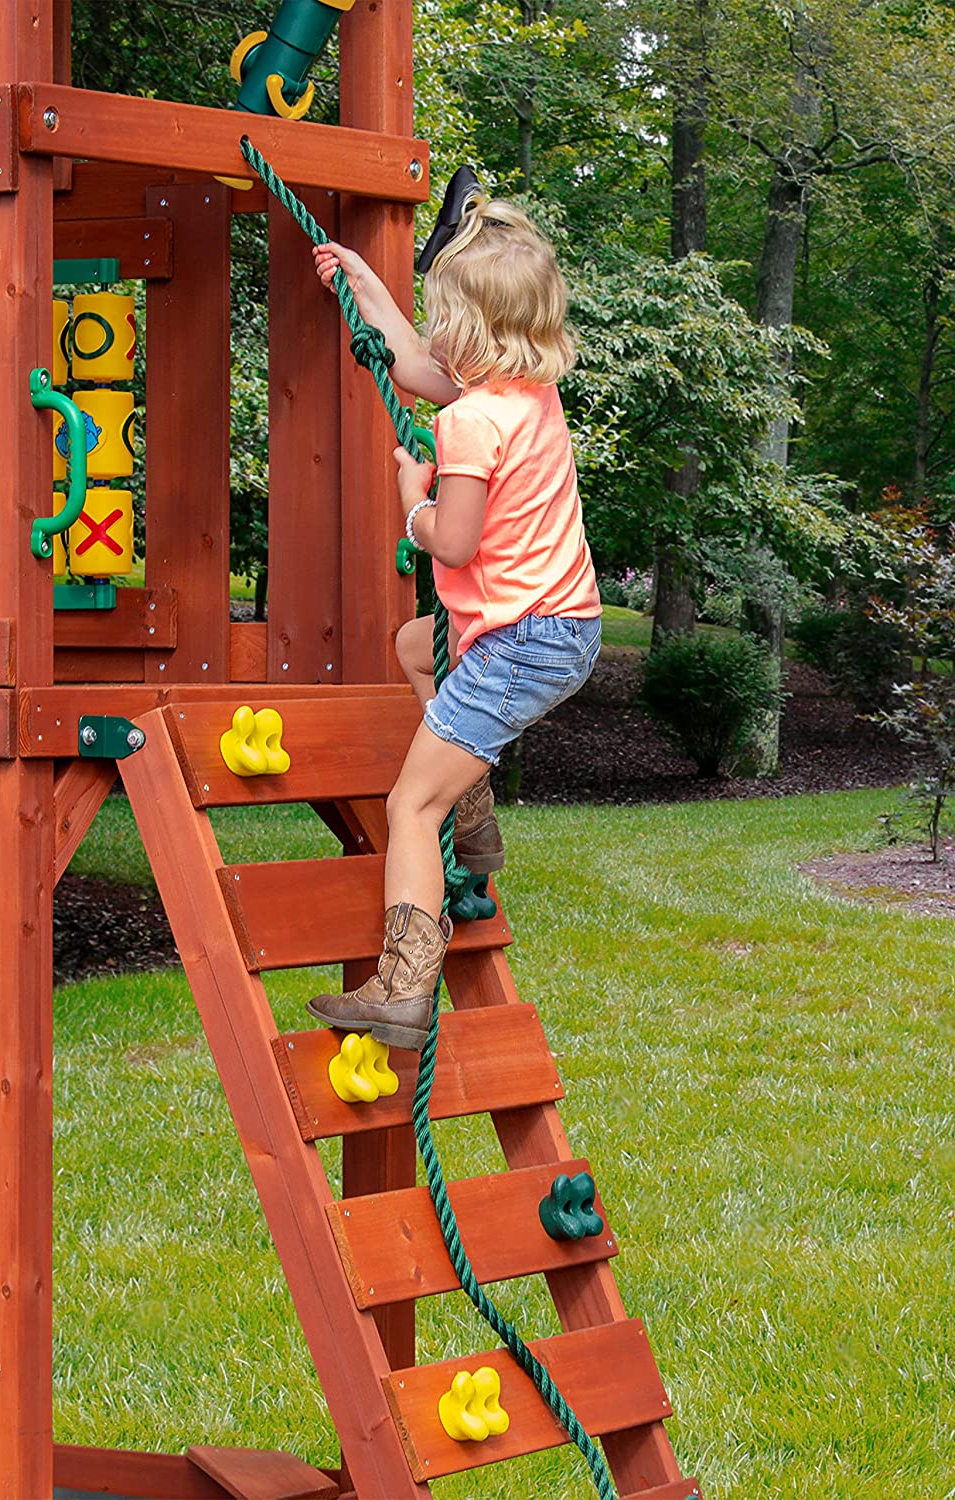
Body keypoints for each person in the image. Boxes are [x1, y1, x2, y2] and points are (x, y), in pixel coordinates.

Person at [306, 187, 602, 1050]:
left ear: (473, 332)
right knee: (413, 645)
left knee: (407, 806)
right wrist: (365, 284)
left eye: (440, 316)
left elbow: (456, 542)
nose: (432, 332)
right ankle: (475, 815)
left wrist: (411, 500)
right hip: (562, 629)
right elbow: (413, 365)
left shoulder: (470, 422)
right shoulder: (524, 393)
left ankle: (403, 986)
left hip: (520, 641)